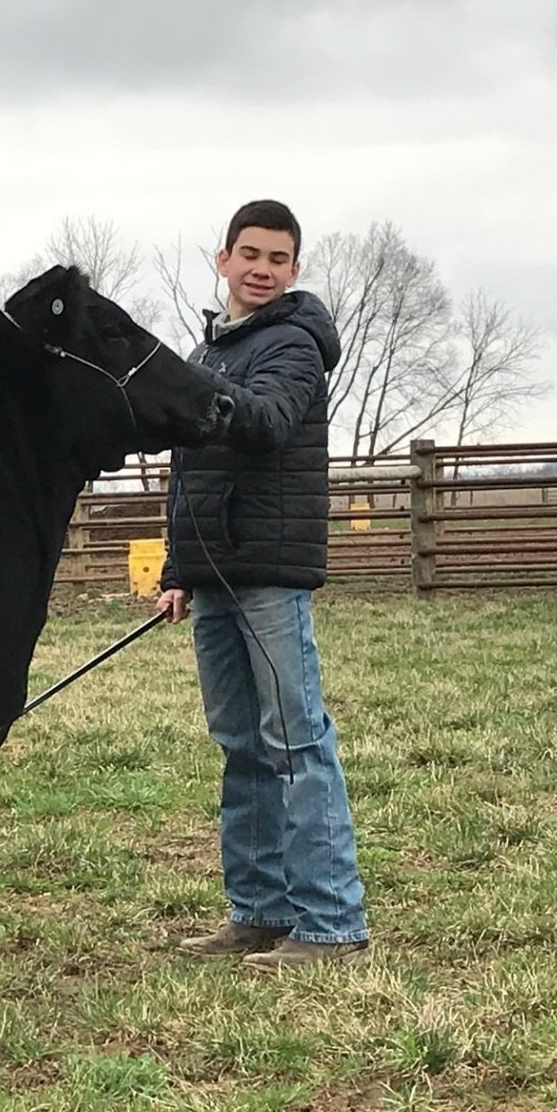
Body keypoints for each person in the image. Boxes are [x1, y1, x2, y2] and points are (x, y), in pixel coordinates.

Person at [156, 199, 370, 973]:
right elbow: (191, 473)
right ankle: (259, 910)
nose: (261, 268)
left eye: (277, 259)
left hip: (270, 578)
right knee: (241, 747)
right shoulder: (210, 353)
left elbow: (270, 421)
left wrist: (185, 393)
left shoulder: (294, 344)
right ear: (223, 259)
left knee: (295, 745)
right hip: (213, 577)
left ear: (293, 271)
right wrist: (177, 571)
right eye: (250, 254)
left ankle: (334, 926)